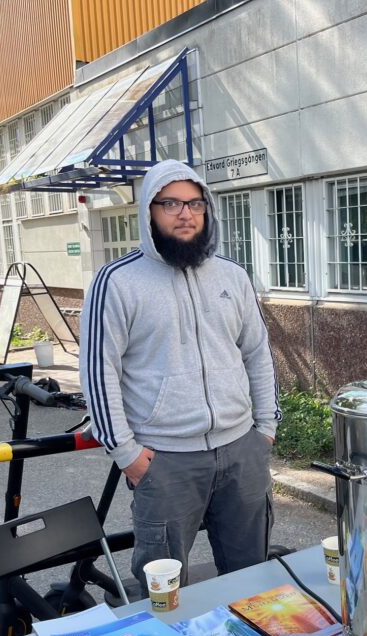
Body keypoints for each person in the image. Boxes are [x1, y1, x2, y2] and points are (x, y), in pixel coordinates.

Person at [80, 159, 280, 595]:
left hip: (241, 451)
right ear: (148, 212)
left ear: (207, 210)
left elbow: (257, 352)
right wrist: (126, 453)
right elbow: (99, 372)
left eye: (194, 203)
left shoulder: (233, 276)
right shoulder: (116, 282)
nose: (184, 214)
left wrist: (265, 429)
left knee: (252, 582)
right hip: (165, 460)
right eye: (169, 203)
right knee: (165, 591)